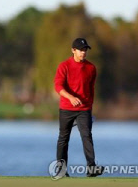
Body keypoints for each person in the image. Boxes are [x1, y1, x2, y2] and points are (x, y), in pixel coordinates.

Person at [54, 38, 103, 177]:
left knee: (87, 136)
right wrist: (70, 97)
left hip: (84, 109)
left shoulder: (91, 68)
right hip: (66, 108)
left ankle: (91, 168)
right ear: (73, 50)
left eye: (85, 50)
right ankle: (61, 170)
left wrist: (90, 108)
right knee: (63, 138)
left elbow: (91, 89)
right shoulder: (64, 66)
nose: (83, 52)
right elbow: (58, 86)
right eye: (81, 50)